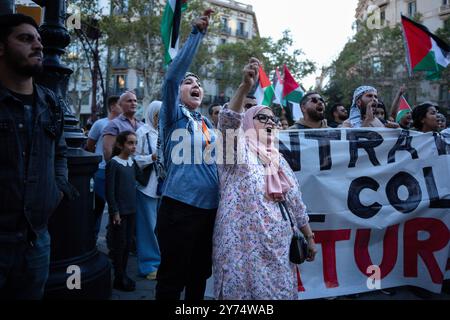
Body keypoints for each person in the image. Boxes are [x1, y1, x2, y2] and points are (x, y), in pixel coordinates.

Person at [213, 58, 317, 300]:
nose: (270, 122)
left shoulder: (279, 160)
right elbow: (228, 123)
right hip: (241, 247)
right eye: (262, 118)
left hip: (278, 247)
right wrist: (244, 87)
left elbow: (295, 203)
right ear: (248, 123)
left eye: (272, 119)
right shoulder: (236, 151)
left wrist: (309, 237)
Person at [0, 13, 76, 299]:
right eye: (25, 38)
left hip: (36, 241)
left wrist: (57, 189)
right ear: (1, 47)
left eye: (40, 40)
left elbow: (60, 152)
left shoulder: (51, 102)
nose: (39, 46)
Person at [155, 11, 219, 301]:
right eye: (188, 82)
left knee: (199, 277)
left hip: (211, 213)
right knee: (172, 279)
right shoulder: (172, 117)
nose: (195, 85)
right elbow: (171, 78)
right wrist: (196, 35)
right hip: (179, 209)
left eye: (198, 84)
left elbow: (227, 167)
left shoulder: (211, 126)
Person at [105, 131, 139, 292]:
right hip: (120, 213)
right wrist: (114, 211)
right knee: (119, 245)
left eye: (135, 143)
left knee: (127, 245)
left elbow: (141, 179)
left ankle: (123, 274)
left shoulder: (132, 163)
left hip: (132, 210)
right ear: (120, 145)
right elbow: (110, 191)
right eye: (130, 143)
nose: (133, 147)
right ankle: (119, 277)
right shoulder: (114, 163)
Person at [85, 96, 121, 243]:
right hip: (101, 171)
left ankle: (112, 240)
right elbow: (89, 145)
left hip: (119, 171)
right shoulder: (100, 124)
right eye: (121, 104)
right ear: (113, 107)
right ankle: (91, 240)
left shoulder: (124, 124)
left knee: (116, 207)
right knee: (98, 207)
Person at [134, 101, 162, 281]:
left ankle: (161, 262)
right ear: (152, 114)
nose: (161, 119)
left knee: (161, 227)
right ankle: (148, 265)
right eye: (158, 115)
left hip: (164, 187)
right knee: (147, 228)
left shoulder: (167, 133)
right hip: (147, 187)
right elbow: (133, 158)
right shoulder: (142, 132)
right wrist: (150, 157)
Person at [103, 91, 143, 162]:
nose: (133, 103)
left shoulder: (142, 125)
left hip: (140, 168)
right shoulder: (114, 124)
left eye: (135, 101)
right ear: (120, 104)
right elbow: (107, 150)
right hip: (122, 168)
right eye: (129, 101)